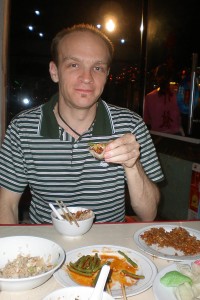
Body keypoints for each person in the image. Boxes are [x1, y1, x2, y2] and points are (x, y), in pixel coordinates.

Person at [0, 24, 164, 224]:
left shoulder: (131, 125)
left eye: (97, 68)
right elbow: (6, 204)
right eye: (74, 65)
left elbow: (149, 214)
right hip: (47, 246)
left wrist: (133, 165)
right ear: (54, 71)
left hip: (109, 249)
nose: (87, 78)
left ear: (107, 75)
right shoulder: (22, 128)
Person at [143, 64, 183, 135]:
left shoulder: (149, 97)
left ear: (156, 77)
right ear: (170, 78)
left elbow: (147, 121)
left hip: (157, 137)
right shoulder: (177, 94)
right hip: (176, 137)